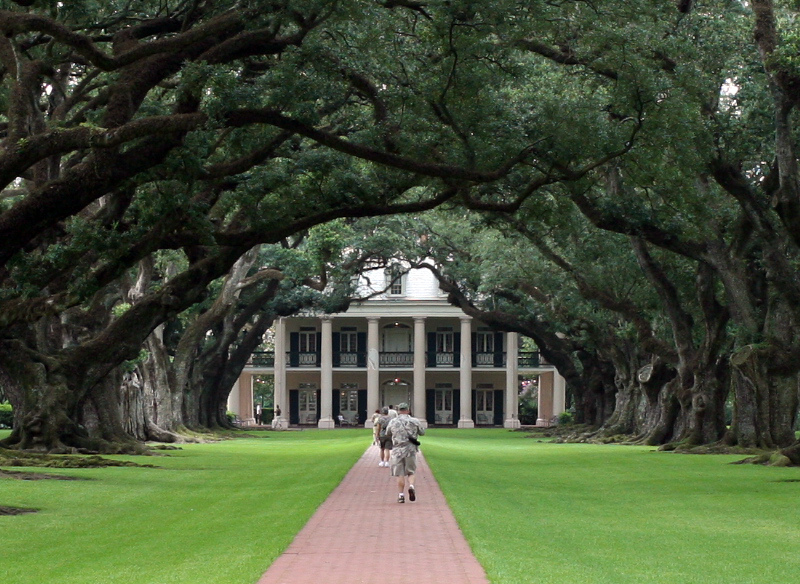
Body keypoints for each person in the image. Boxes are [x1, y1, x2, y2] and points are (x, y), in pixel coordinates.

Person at [385, 402, 425, 503]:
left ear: (399, 411)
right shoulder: (415, 421)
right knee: (411, 471)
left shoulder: (393, 421)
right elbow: (422, 432)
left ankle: (401, 495)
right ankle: (411, 486)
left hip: (397, 450)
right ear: (408, 410)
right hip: (411, 450)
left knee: (399, 474)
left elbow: (387, 433)